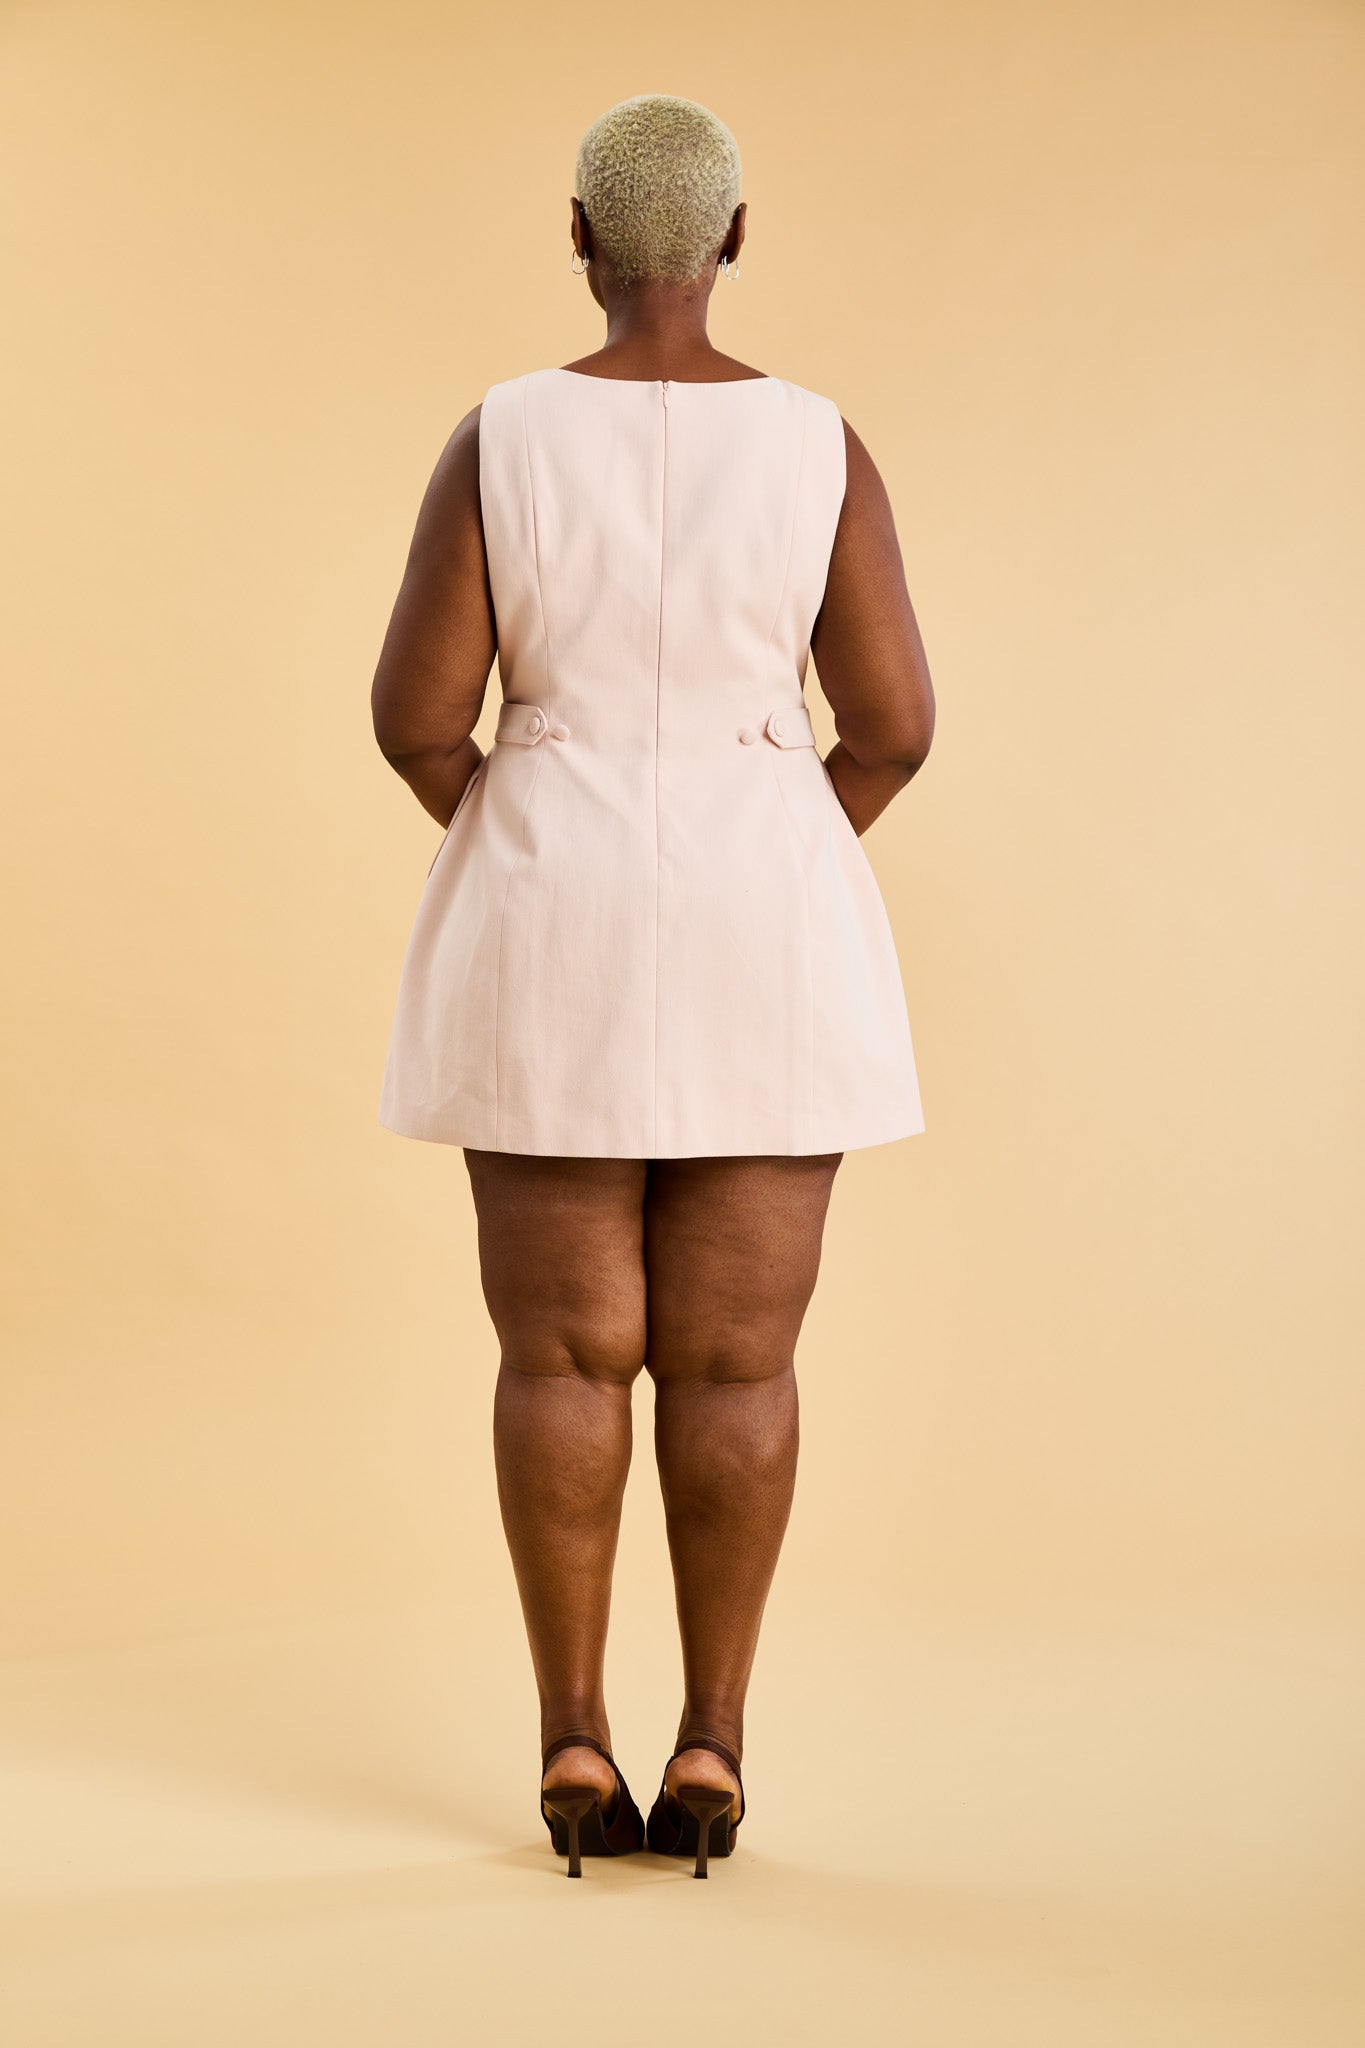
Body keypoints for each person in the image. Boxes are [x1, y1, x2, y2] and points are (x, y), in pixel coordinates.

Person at [371, 93, 934, 1879]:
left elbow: (410, 717)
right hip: (773, 912)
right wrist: (778, 832)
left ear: (578, 237)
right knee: (736, 1358)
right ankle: (710, 1743)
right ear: (735, 241)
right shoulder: (824, 442)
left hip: (550, 905)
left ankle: (567, 1735)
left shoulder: (501, 434)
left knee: (558, 1350)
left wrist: (539, 829)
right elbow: (899, 726)